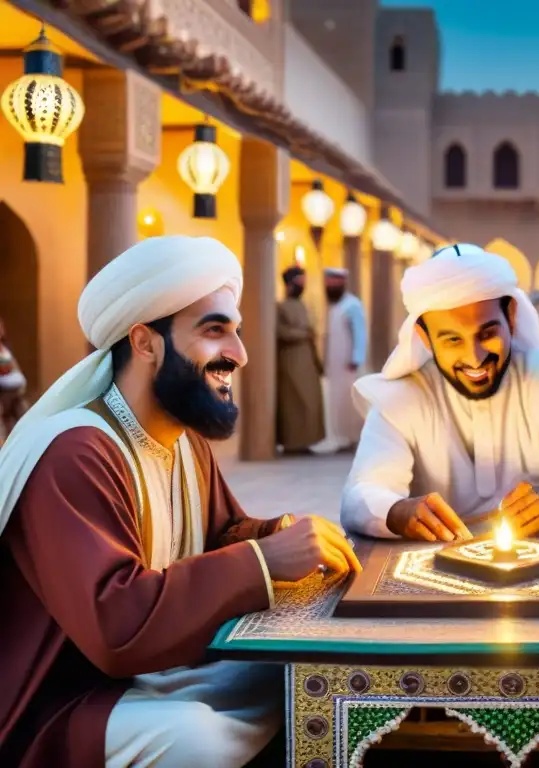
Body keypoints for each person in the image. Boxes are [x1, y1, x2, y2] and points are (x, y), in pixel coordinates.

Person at [0, 236, 361, 768]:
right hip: (65, 699)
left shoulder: (182, 439)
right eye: (215, 330)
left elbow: (220, 536)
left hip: (152, 674)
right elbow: (116, 628)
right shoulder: (76, 452)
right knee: (198, 741)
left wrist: (277, 533)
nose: (238, 353)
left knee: (298, 675)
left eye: (235, 332)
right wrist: (264, 561)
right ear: (145, 342)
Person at [341, 244, 539, 541]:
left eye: (488, 334)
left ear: (512, 316)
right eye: (452, 340)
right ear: (425, 338)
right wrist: (399, 513)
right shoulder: (401, 399)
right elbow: (360, 495)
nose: (475, 357)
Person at [276, 266, 325, 453]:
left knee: (309, 402)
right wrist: (304, 333)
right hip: (291, 361)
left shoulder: (303, 305)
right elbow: (281, 332)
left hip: (308, 360)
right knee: (294, 403)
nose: (302, 286)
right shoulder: (280, 307)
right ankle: (292, 443)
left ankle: (305, 442)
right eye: (299, 282)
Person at [322, 267, 367, 451]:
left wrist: (356, 358)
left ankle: (354, 439)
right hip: (335, 365)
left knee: (351, 402)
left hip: (349, 365)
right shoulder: (334, 307)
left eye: (334, 283)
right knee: (337, 403)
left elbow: (360, 333)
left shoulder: (352, 305)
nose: (330, 287)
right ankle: (341, 439)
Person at [0, 317, 29, 442]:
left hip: (14, 394)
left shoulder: (5, 349)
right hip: (2, 393)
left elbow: (15, 369)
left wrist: (20, 382)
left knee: (24, 413)